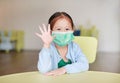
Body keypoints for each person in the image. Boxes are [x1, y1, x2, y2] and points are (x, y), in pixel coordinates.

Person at [35, 12, 89, 76]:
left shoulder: (74, 47)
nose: (63, 32)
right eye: (58, 29)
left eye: (67, 29)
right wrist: (46, 45)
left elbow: (84, 64)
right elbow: (43, 69)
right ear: (50, 31)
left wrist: (64, 69)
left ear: (72, 30)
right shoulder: (49, 48)